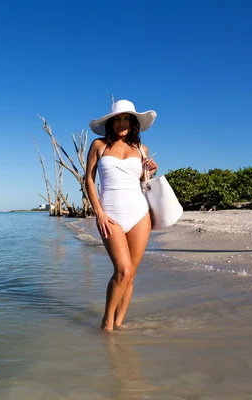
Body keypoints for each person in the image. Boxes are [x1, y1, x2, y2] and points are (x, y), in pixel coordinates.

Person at [85, 98, 158, 331]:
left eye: (127, 119)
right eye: (117, 119)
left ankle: (119, 323)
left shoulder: (141, 149)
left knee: (131, 275)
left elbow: (142, 183)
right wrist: (98, 213)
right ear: (110, 122)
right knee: (122, 270)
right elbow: (89, 179)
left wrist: (149, 172)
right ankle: (107, 323)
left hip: (139, 214)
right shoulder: (99, 145)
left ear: (134, 122)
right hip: (110, 215)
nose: (122, 123)